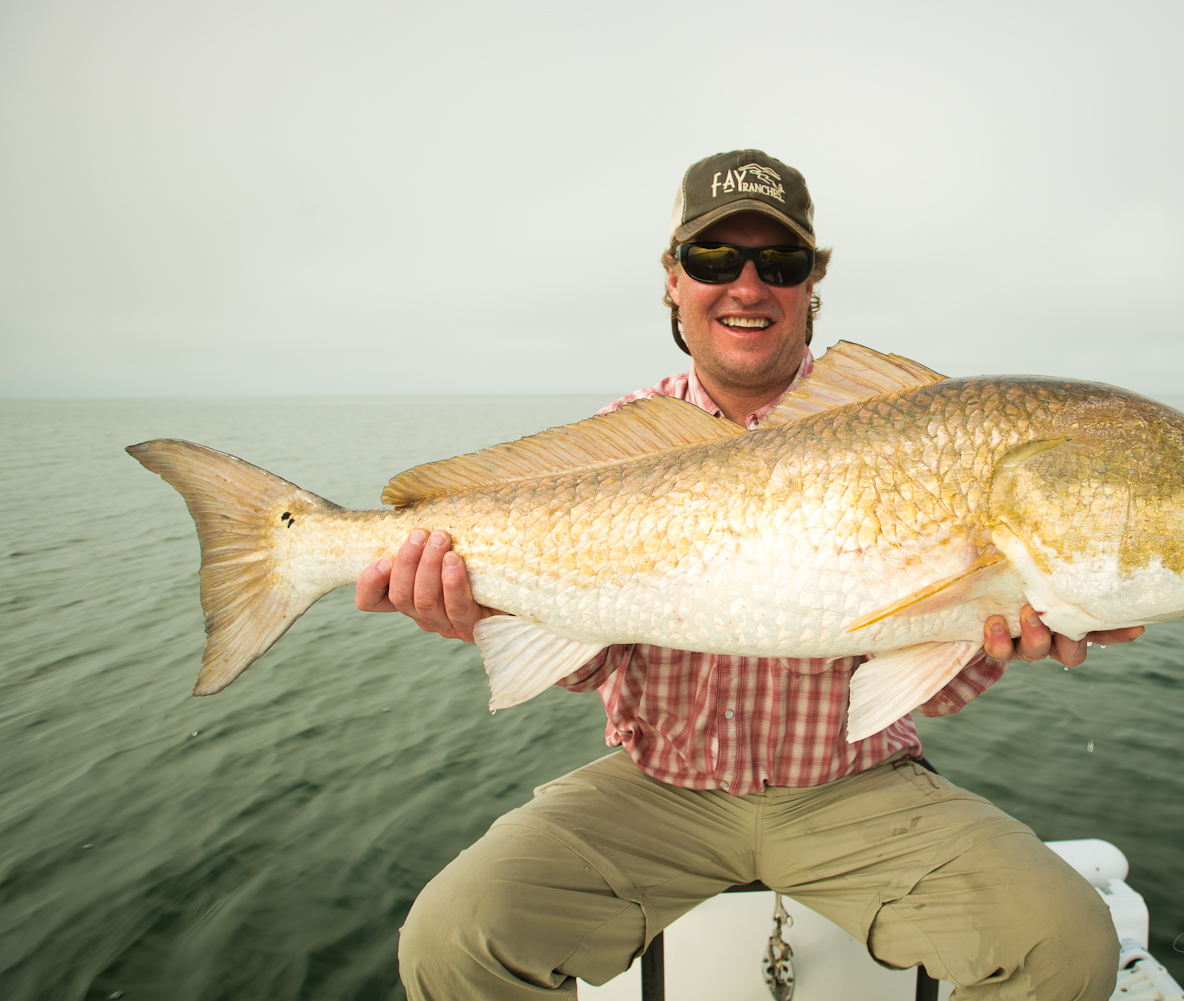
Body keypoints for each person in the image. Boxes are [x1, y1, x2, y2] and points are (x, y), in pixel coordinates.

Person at [357, 150, 1143, 1001]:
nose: (747, 285)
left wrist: (1000, 633)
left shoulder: (906, 426)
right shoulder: (623, 437)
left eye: (781, 262)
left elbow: (930, 691)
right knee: (451, 941)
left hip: (857, 787)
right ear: (672, 281)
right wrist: (479, 611)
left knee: (1066, 944)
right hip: (658, 790)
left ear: (812, 284)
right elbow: (594, 660)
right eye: (713, 260)